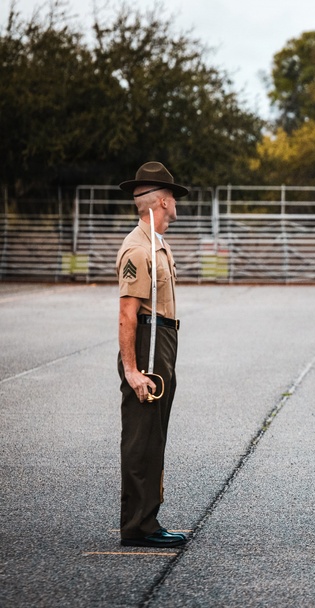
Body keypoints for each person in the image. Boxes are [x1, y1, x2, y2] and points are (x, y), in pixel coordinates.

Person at [115, 162, 189, 548]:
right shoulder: (138, 248)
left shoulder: (158, 243)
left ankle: (148, 517)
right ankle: (138, 526)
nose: (176, 202)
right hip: (146, 342)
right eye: (173, 196)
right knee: (142, 435)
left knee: (154, 432)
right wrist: (131, 369)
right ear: (161, 201)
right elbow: (128, 314)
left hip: (162, 340)